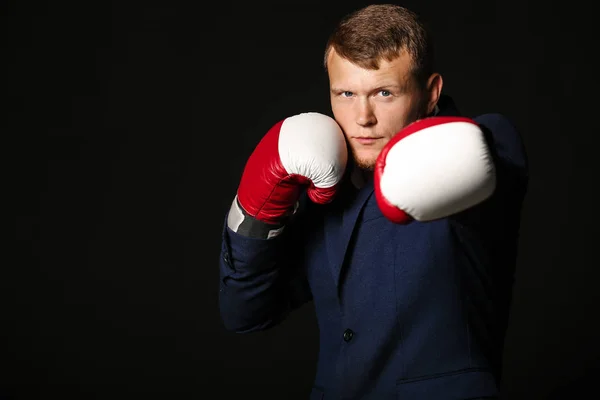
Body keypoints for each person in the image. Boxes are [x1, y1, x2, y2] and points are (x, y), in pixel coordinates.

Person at [218, 4, 528, 399]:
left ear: (430, 92)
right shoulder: (323, 186)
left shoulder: (477, 151)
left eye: (384, 92)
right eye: (346, 93)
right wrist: (255, 216)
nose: (362, 117)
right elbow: (244, 314)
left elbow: (487, 161)